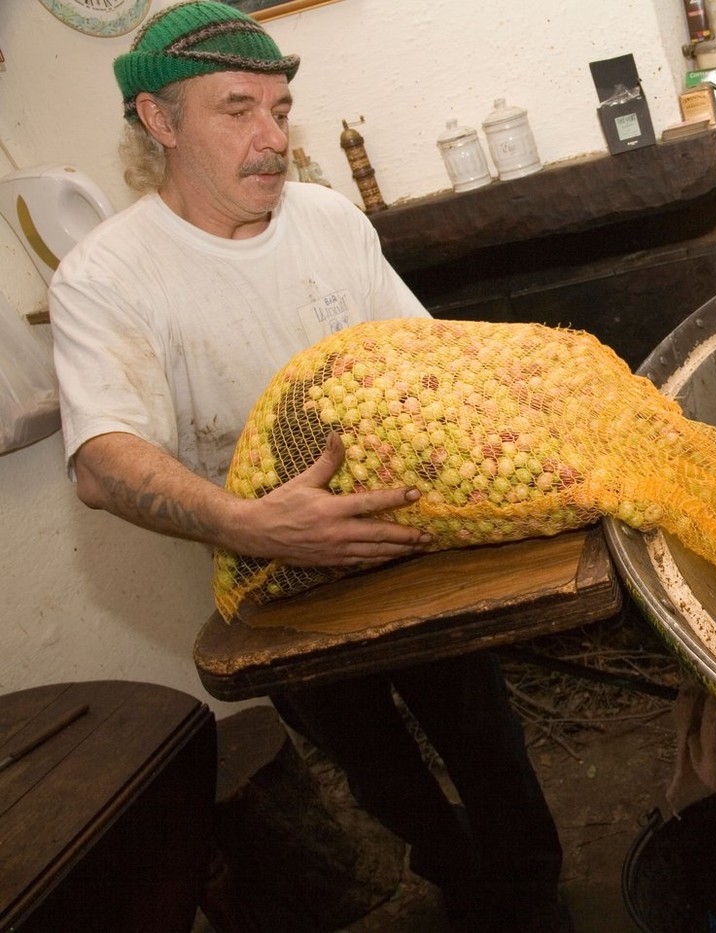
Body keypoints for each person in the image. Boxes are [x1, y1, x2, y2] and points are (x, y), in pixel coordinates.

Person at [47, 3, 568, 930]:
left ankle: (535, 891)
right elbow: (100, 457)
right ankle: (458, 878)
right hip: (278, 575)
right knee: (374, 766)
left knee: (486, 736)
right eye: (237, 109)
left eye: (281, 110)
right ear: (158, 122)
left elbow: (426, 356)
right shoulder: (106, 276)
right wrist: (253, 524)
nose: (271, 137)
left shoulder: (326, 218)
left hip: (409, 544)